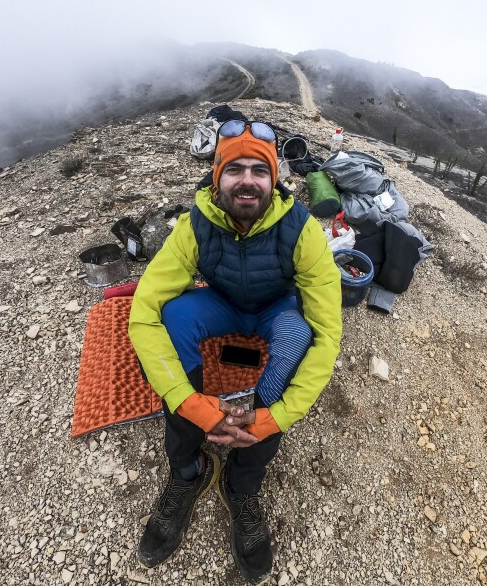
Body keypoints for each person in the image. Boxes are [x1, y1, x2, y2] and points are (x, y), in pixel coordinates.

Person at [128, 118, 342, 584]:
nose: (247, 179)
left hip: (273, 311)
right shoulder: (195, 226)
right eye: (236, 169)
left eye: (259, 171)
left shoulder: (302, 231)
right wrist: (189, 403)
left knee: (297, 336)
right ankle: (189, 468)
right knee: (174, 318)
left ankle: (243, 475)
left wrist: (276, 417)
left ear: (275, 179)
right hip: (221, 305)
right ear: (217, 176)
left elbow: (328, 334)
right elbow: (143, 310)